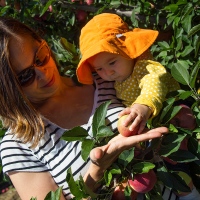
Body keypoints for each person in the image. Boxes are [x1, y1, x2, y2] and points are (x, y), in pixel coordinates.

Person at [0, 17, 194, 200]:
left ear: (43, 42)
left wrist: (173, 117)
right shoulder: (19, 146)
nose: (43, 73)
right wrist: (97, 171)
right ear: (7, 90)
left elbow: (152, 77)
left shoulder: (102, 73)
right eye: (25, 76)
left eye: (40, 56)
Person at [76, 13, 180, 134]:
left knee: (185, 118)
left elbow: (153, 82)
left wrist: (143, 106)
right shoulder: (119, 77)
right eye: (99, 69)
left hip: (173, 109)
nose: (108, 72)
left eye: (112, 63)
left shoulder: (143, 67)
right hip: (152, 121)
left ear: (127, 50)